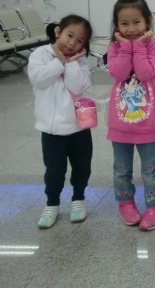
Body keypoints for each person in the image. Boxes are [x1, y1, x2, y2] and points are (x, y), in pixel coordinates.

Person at [106, 0, 155, 231]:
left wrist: (138, 47)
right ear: (116, 25)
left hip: (148, 123)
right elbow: (120, 73)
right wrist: (126, 48)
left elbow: (144, 73)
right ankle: (125, 203)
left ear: (148, 21)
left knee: (150, 171)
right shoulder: (114, 48)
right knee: (121, 170)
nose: (131, 29)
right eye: (124, 23)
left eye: (137, 22)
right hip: (120, 123)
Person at [28, 15, 93, 229]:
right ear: (58, 32)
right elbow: (39, 80)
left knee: (82, 168)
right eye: (70, 35)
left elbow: (78, 87)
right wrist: (59, 62)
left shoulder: (80, 62)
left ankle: (78, 199)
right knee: (54, 172)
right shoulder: (40, 54)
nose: (73, 43)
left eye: (80, 40)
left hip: (78, 129)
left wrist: (72, 64)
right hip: (51, 132)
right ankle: (52, 204)